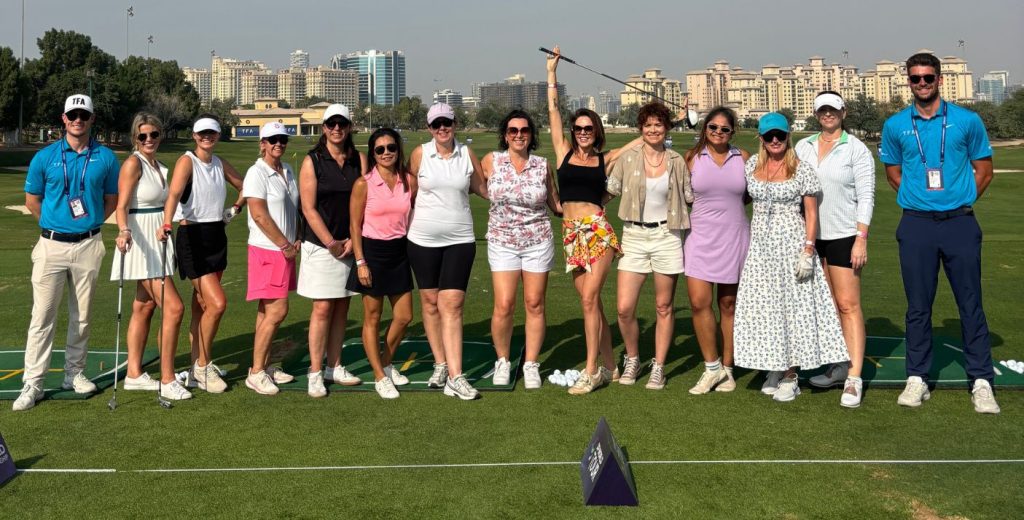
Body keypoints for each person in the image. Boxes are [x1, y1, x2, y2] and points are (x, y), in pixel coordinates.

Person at [880, 52, 999, 413]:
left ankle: (980, 380)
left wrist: (958, 200)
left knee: (970, 303)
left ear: (940, 79)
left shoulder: (967, 120)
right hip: (916, 224)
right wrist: (922, 201)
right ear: (908, 81)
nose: (921, 84)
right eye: (915, 78)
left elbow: (984, 170)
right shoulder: (897, 124)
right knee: (918, 306)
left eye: (927, 77)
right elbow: (893, 173)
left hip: (960, 223)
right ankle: (917, 377)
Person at [733, 113, 848, 402]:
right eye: (769, 136)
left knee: (793, 309)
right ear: (760, 138)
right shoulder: (751, 166)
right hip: (761, 247)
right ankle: (775, 365)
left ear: (788, 138)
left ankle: (791, 373)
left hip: (792, 244)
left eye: (780, 136)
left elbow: (811, 212)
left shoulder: (801, 169)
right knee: (767, 307)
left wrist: (808, 249)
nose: (775, 141)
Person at [14, 94, 119, 411]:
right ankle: (33, 382)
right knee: (42, 316)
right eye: (72, 115)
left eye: (83, 115)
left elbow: (111, 199)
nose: (78, 120)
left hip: (88, 243)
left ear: (91, 119)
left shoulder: (105, 157)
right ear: (63, 119)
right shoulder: (44, 157)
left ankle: (74, 373)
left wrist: (90, 223)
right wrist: (53, 224)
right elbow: (33, 199)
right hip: (51, 245)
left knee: (83, 316)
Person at [546, 45, 639, 395]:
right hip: (571, 233)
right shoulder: (563, 152)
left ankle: (592, 370)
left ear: (596, 131)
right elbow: (553, 111)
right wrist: (552, 73)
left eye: (588, 128)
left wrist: (670, 118)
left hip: (597, 231)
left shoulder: (606, 159)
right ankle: (611, 365)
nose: (583, 131)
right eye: (579, 127)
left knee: (589, 300)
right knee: (593, 303)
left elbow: (644, 138)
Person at [795, 92, 876, 408]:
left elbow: (866, 196)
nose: (828, 114)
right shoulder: (804, 146)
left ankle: (854, 377)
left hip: (844, 235)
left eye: (833, 109)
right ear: (817, 114)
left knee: (848, 304)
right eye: (822, 110)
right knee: (828, 307)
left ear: (843, 112)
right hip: (811, 237)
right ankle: (839, 366)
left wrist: (862, 237)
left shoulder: (855, 149)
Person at [607, 102, 693, 390]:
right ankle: (633, 358)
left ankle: (658, 365)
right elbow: (610, 191)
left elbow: (692, 198)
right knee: (624, 308)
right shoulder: (628, 158)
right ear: (640, 129)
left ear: (666, 128)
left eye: (658, 125)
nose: (653, 130)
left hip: (667, 237)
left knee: (664, 305)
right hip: (633, 235)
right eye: (648, 125)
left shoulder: (677, 160)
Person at [407, 102, 487, 400]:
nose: (442, 128)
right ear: (429, 128)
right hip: (422, 240)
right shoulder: (419, 154)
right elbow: (408, 194)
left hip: (459, 239)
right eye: (436, 124)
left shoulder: (466, 154)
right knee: (429, 302)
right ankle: (440, 363)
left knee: (451, 304)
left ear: (455, 124)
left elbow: (483, 188)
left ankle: (456, 376)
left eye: (447, 123)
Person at [161, 115, 245, 394]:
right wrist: (166, 223)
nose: (207, 137)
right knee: (217, 303)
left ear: (218, 135)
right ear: (195, 136)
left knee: (201, 305)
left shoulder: (219, 163)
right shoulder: (188, 161)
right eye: (202, 133)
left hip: (216, 237)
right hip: (192, 237)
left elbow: (244, 186)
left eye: (211, 133)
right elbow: (173, 195)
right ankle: (203, 365)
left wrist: (234, 210)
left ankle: (199, 366)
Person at [111, 112, 190, 401]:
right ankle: (167, 378)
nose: (148, 140)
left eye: (154, 135)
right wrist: (123, 230)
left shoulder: (157, 165)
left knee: (144, 307)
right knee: (174, 308)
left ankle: (134, 374)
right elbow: (121, 206)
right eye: (143, 135)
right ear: (135, 138)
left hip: (159, 239)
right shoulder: (133, 163)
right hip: (141, 241)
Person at [481, 110, 560, 390]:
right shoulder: (491, 161)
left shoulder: (542, 164)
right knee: (504, 305)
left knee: (535, 303)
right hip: (502, 241)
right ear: (505, 135)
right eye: (513, 130)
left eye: (524, 130)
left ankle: (531, 363)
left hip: (537, 240)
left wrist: (591, 202)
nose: (518, 135)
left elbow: (556, 203)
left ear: (531, 135)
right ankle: (502, 360)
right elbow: (473, 187)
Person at [298, 104, 366, 397]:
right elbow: (308, 208)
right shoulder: (312, 161)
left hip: (350, 243)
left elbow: (367, 202)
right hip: (320, 245)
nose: (336, 128)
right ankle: (315, 371)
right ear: (324, 127)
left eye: (342, 123)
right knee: (323, 307)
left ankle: (334, 365)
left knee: (342, 307)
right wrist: (331, 242)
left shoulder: (358, 159)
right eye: (331, 124)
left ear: (349, 126)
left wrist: (353, 239)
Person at [682, 106, 751, 395]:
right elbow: (683, 196)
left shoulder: (744, 158)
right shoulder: (691, 158)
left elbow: (749, 195)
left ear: (732, 132)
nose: (718, 133)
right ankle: (711, 368)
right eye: (713, 127)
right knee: (699, 303)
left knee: (728, 306)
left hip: (734, 238)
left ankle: (728, 369)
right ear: (705, 129)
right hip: (700, 239)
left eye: (724, 129)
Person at [348, 128, 416, 399]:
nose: (386, 153)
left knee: (404, 316)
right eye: (380, 149)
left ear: (398, 150)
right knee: (372, 318)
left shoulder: (408, 180)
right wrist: (360, 261)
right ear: (373, 154)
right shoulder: (364, 183)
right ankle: (378, 375)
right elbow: (354, 225)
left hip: (399, 251)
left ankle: (386, 363)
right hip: (372, 253)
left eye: (391, 148)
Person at [242, 122, 300, 395]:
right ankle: (255, 373)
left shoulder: (287, 170)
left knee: (267, 311)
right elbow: (259, 214)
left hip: (285, 250)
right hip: (268, 249)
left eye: (282, 139)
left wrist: (296, 237)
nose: (278, 143)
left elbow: (292, 209)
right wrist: (284, 244)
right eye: (272, 139)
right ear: (262, 143)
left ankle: (263, 365)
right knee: (278, 310)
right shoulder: (257, 173)